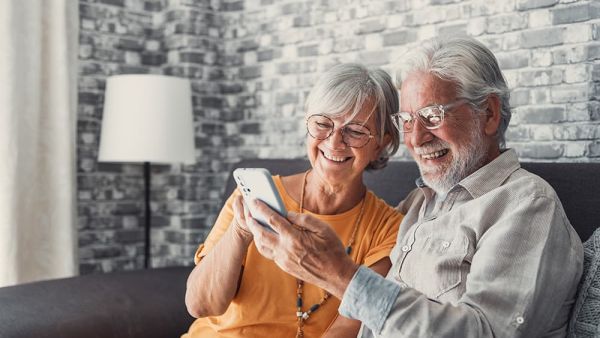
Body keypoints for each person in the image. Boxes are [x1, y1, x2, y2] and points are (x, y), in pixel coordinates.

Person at [245, 36, 584, 337]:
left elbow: (485, 331)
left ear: (489, 114)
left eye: (433, 116)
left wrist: (340, 275)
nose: (417, 139)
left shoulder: (526, 205)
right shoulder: (417, 205)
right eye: (407, 121)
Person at [183, 63, 404, 338]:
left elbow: (348, 329)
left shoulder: (389, 229)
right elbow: (200, 304)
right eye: (323, 124)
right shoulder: (252, 196)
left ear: (382, 143)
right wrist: (240, 232)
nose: (334, 142)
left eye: (356, 131)